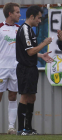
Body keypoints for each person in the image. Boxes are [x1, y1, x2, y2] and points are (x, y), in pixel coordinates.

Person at [16, 5, 53, 135]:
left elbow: (28, 51)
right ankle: (21, 129)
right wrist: (44, 43)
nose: (39, 21)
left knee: (32, 97)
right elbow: (30, 51)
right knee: (25, 96)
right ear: (31, 17)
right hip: (25, 68)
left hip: (31, 67)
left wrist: (41, 55)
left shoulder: (30, 30)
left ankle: (28, 127)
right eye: (38, 18)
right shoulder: (25, 30)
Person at [0, 2, 21, 135]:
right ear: (10, 14)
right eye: (17, 12)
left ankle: (11, 127)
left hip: (15, 68)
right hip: (1, 68)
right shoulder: (0, 27)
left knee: (13, 96)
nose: (19, 15)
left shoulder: (20, 29)